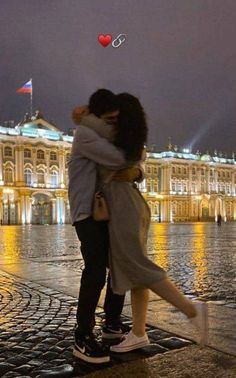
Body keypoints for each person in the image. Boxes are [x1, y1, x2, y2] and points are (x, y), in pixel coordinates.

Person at [77, 93, 208, 354]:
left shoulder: (112, 139)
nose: (111, 121)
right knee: (129, 271)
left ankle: (192, 309)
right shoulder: (121, 138)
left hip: (124, 207)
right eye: (109, 117)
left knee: (138, 267)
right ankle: (138, 332)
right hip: (124, 205)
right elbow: (132, 157)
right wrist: (139, 168)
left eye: (116, 117)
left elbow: (121, 158)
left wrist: (85, 118)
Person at [68, 89, 141, 364]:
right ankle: (82, 335)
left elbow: (125, 165)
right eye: (110, 118)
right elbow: (120, 159)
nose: (114, 123)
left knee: (118, 265)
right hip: (86, 211)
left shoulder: (97, 132)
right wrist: (136, 155)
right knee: (95, 270)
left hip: (106, 210)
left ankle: (111, 324)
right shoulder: (86, 134)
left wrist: (138, 171)